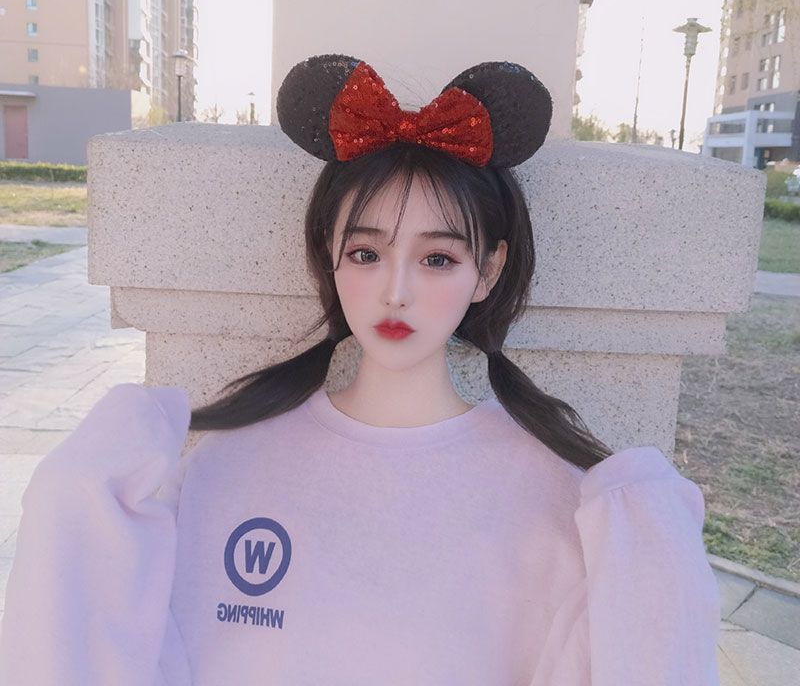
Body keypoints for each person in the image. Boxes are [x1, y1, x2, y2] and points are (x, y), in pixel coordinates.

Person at [0, 54, 722, 685]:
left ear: (488, 270)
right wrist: (77, 496)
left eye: (437, 258)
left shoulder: (557, 499)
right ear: (330, 256)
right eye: (367, 254)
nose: (395, 291)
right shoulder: (227, 466)